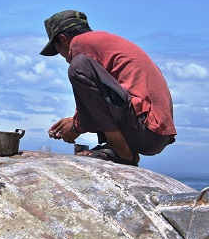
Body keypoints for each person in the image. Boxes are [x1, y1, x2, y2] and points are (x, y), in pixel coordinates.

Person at [40, 10, 176, 166]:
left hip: (145, 129)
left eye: (58, 51)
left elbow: (87, 79)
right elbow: (105, 94)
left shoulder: (79, 44)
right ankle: (129, 152)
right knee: (83, 68)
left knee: (78, 66)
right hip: (155, 132)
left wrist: (76, 126)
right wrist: (76, 122)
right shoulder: (102, 42)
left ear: (63, 39)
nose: (65, 58)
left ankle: (119, 148)